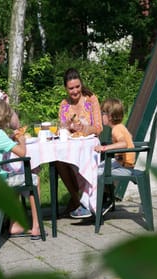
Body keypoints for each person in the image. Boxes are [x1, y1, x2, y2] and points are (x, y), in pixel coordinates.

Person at [0, 100, 43, 240]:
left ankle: (15, 224)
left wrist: (9, 138)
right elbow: (22, 153)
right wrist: (22, 141)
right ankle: (36, 227)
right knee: (35, 179)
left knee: (13, 174)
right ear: (4, 118)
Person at [57, 68, 103, 219]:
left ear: (81, 85)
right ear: (66, 88)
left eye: (77, 87)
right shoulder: (64, 105)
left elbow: (98, 128)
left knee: (74, 159)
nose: (75, 91)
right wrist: (68, 127)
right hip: (72, 145)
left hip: (90, 146)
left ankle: (85, 201)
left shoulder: (91, 99)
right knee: (58, 161)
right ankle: (77, 199)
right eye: (71, 88)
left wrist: (84, 128)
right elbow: (60, 129)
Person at [94, 98, 135, 216]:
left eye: (103, 113)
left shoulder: (116, 130)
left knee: (97, 172)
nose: (102, 116)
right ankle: (107, 197)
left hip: (125, 168)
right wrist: (120, 155)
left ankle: (105, 200)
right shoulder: (121, 127)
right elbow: (129, 138)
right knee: (100, 167)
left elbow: (124, 143)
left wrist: (104, 148)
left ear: (110, 116)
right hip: (124, 163)